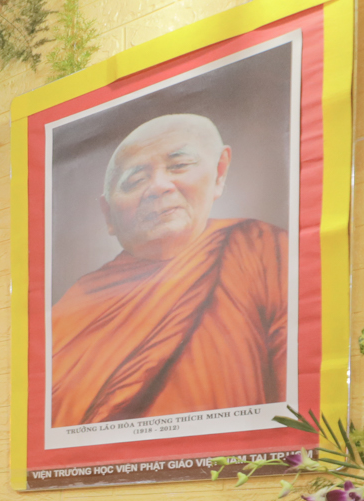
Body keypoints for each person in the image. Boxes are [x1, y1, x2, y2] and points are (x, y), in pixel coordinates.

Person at [49, 113, 288, 428]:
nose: (158, 187)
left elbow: (299, 411)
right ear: (108, 215)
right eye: (135, 181)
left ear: (219, 172)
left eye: (179, 166)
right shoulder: (74, 309)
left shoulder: (261, 250)